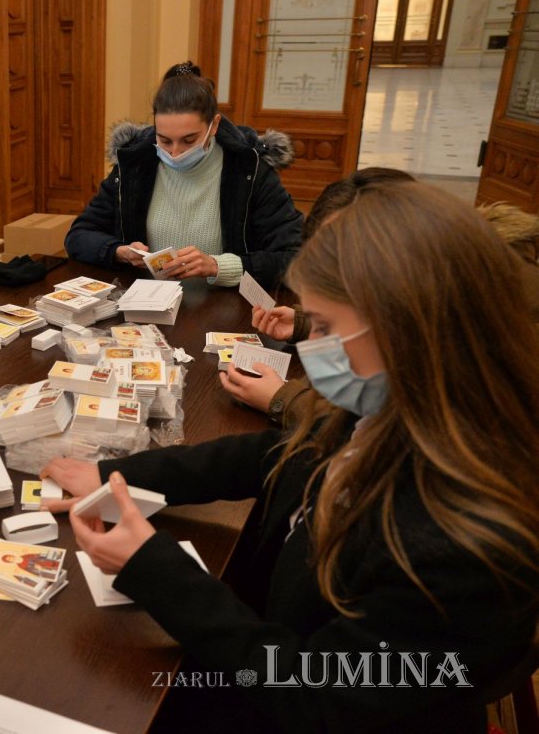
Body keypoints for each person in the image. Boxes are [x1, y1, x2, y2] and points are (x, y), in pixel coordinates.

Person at [42, 183, 539, 732]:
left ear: (408, 332)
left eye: (324, 327)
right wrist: (114, 472)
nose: (312, 345)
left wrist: (154, 569)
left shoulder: (458, 546)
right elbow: (276, 453)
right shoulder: (392, 407)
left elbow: (314, 695)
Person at [222, 169, 539, 429]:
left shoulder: (478, 337)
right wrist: (308, 324)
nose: (335, 276)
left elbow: (399, 425)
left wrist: (286, 398)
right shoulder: (444, 285)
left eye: (347, 260)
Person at [65, 61, 302, 288]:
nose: (175, 153)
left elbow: (296, 258)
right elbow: (79, 235)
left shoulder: (249, 173)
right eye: (164, 140)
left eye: (189, 140)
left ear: (214, 125)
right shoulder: (133, 167)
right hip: (145, 307)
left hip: (224, 311)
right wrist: (119, 252)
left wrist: (218, 266)